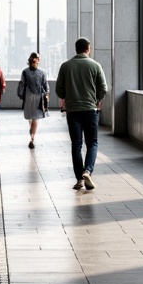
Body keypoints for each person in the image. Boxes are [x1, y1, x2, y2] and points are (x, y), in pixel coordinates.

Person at [55, 38, 108, 191]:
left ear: (76, 49)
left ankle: (79, 179)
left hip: (72, 110)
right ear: (88, 48)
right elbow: (103, 88)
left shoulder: (65, 66)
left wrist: (69, 97)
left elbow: (59, 90)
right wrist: (96, 99)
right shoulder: (95, 65)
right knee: (92, 143)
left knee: (76, 145)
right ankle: (87, 171)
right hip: (90, 109)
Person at [17, 52, 49, 149]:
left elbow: (21, 84)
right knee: (36, 117)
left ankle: (31, 134)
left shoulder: (25, 72)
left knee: (30, 117)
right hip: (38, 97)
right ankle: (32, 137)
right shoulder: (43, 73)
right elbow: (46, 86)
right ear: (38, 61)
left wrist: (20, 95)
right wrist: (46, 94)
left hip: (28, 96)